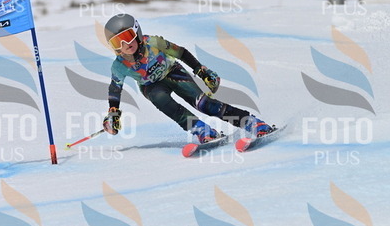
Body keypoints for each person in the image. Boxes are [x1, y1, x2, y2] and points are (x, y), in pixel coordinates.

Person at [102, 13, 273, 143]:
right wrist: (113, 113)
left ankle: (251, 123)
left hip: (173, 72)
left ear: (137, 32)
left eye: (127, 37)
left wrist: (201, 70)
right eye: (118, 42)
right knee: (161, 100)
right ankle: (201, 130)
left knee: (204, 104)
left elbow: (180, 52)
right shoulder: (119, 66)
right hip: (151, 86)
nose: (125, 45)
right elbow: (115, 89)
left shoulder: (153, 42)